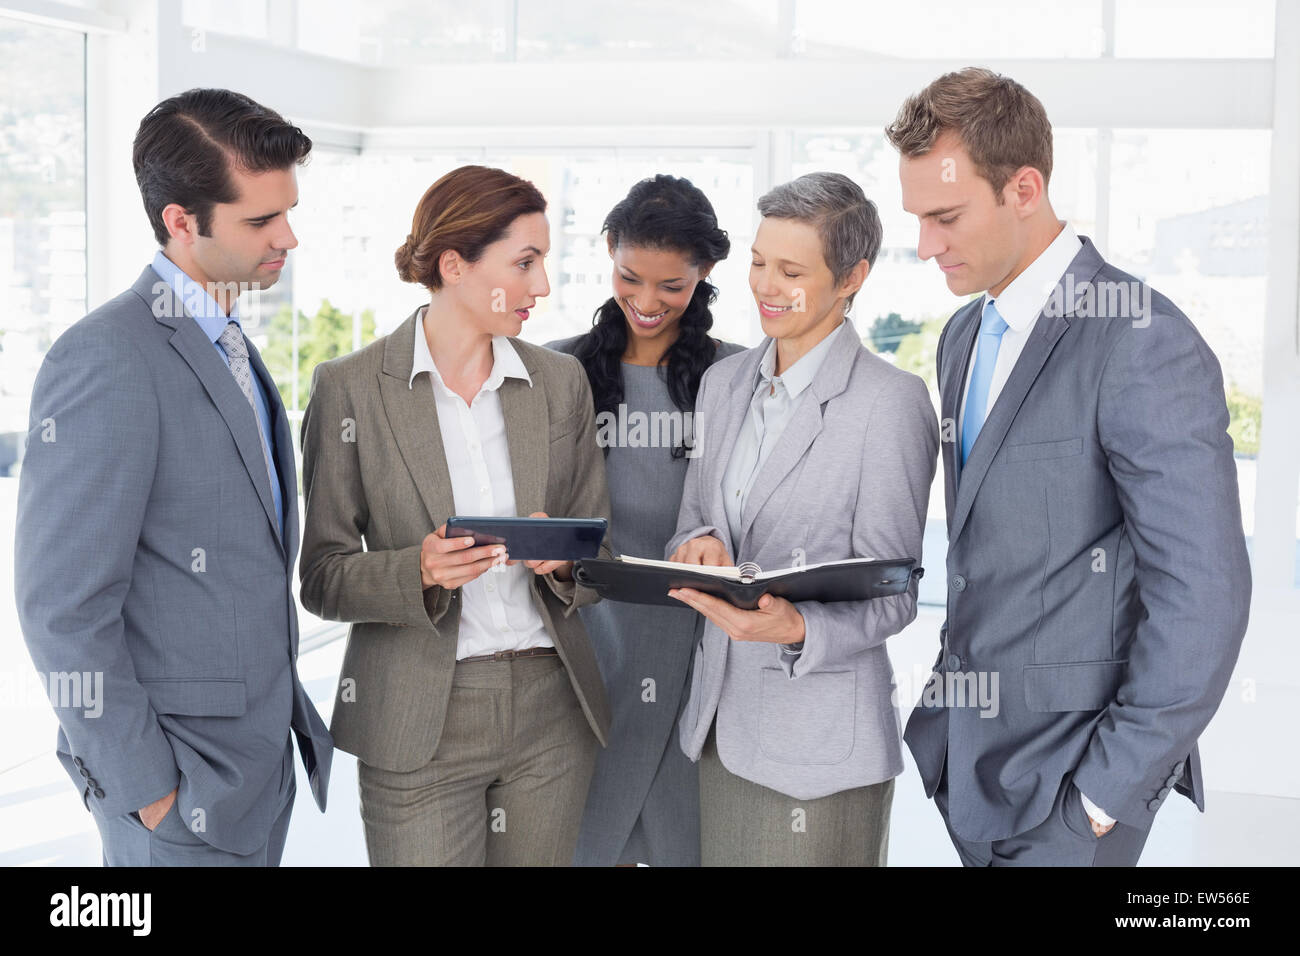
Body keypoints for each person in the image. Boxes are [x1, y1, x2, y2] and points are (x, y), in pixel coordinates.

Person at [888, 67, 1251, 866]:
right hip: (970, 770)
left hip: (1073, 791)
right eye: (918, 219)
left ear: (1024, 188)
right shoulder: (961, 337)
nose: (925, 246)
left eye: (946, 217)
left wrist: (1105, 796)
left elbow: (1205, 593)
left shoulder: (1140, 338)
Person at [14, 88, 333, 866]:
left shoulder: (231, 343)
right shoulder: (106, 358)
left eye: (287, 211)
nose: (287, 237)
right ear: (181, 222)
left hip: (255, 770)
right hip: (180, 793)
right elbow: (62, 607)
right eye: (260, 221)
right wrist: (149, 790)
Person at [298, 165, 613, 866]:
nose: (543, 287)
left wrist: (565, 561)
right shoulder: (349, 390)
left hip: (550, 708)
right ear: (454, 264)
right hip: (417, 717)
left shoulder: (560, 383)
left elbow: (600, 555)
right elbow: (320, 577)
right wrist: (416, 569)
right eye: (525, 263)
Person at [664, 172, 939, 866]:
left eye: (791, 271)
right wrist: (695, 544)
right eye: (758, 263)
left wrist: (798, 627)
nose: (765, 285)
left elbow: (894, 591)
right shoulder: (724, 384)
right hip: (721, 723)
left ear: (852, 277)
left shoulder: (890, 403)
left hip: (820, 750)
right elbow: (694, 519)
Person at [548, 174, 744, 867]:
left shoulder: (740, 377)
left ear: (707, 274)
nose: (647, 302)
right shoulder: (556, 370)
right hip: (591, 655)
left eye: (672, 286)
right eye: (631, 277)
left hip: (703, 656)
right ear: (608, 252)